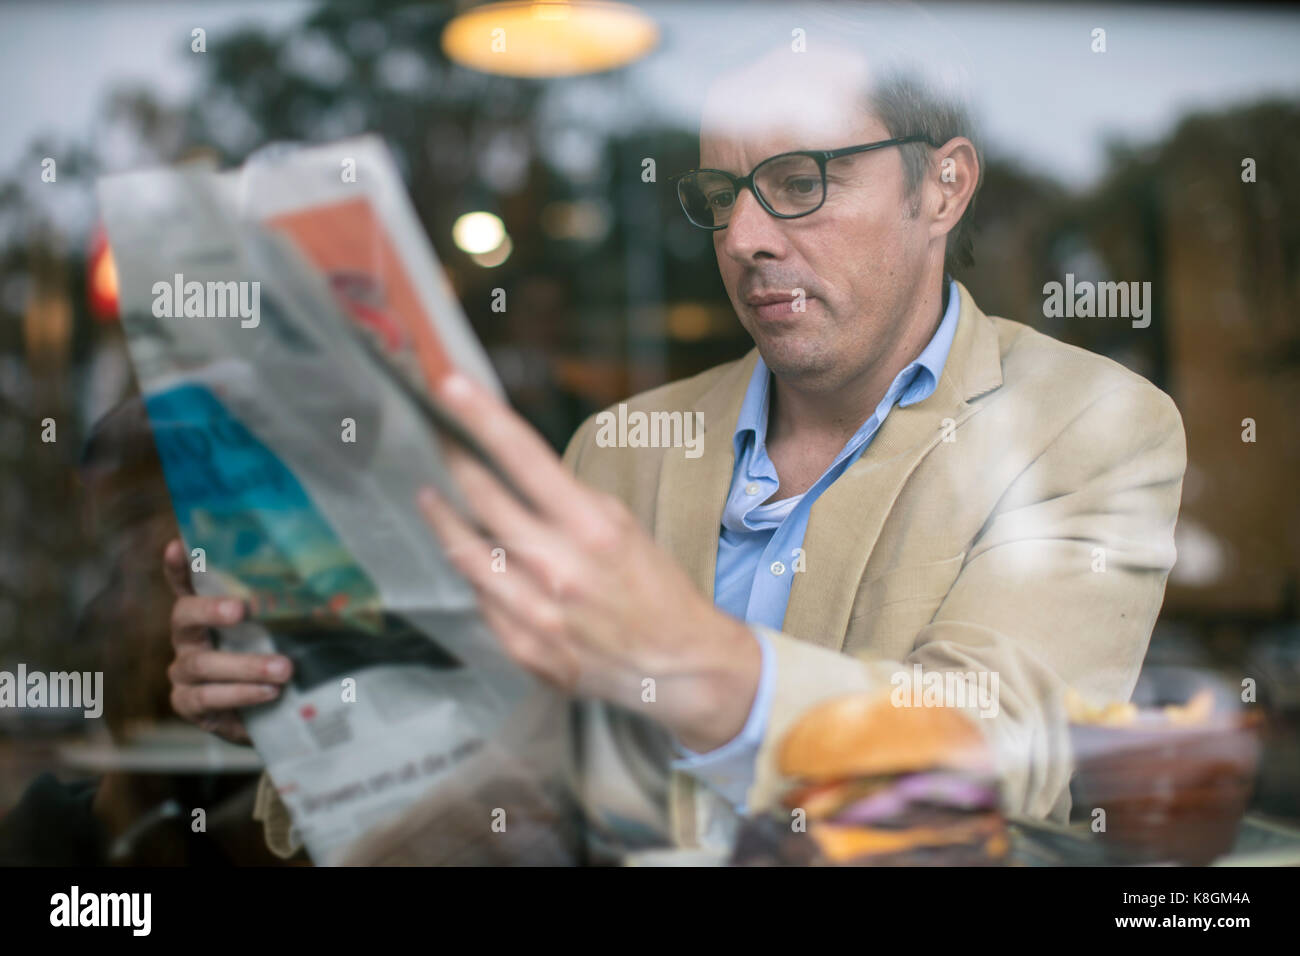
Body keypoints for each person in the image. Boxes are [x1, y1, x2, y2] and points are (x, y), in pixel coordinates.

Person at [162, 44, 1186, 861]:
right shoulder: (618, 446)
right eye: (720, 194)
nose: (741, 236)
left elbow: (1000, 754)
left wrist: (695, 663)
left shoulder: (1090, 425)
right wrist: (314, 705)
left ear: (944, 188)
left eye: (799, 181)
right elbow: (514, 791)